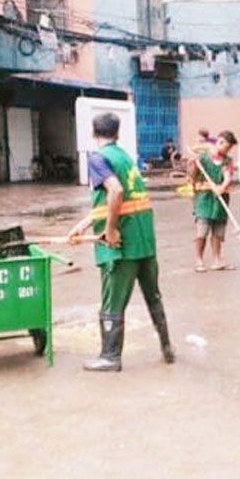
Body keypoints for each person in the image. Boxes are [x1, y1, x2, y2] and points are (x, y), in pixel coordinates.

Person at [68, 113, 174, 372]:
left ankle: (110, 357)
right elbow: (119, 201)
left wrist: (110, 230)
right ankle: (167, 347)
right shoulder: (125, 157)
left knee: (112, 301)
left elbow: (116, 191)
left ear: (93, 133)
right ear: (117, 133)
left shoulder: (98, 158)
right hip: (144, 241)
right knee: (153, 296)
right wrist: (83, 225)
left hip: (122, 246)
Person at [190, 130, 238, 272]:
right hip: (204, 199)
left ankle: (217, 260)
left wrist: (221, 187)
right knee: (202, 231)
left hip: (220, 200)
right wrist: (194, 164)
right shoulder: (203, 158)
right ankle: (199, 260)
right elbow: (192, 176)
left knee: (218, 231)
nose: (227, 151)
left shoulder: (227, 161)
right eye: (226, 147)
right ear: (220, 142)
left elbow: (227, 176)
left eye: (229, 149)